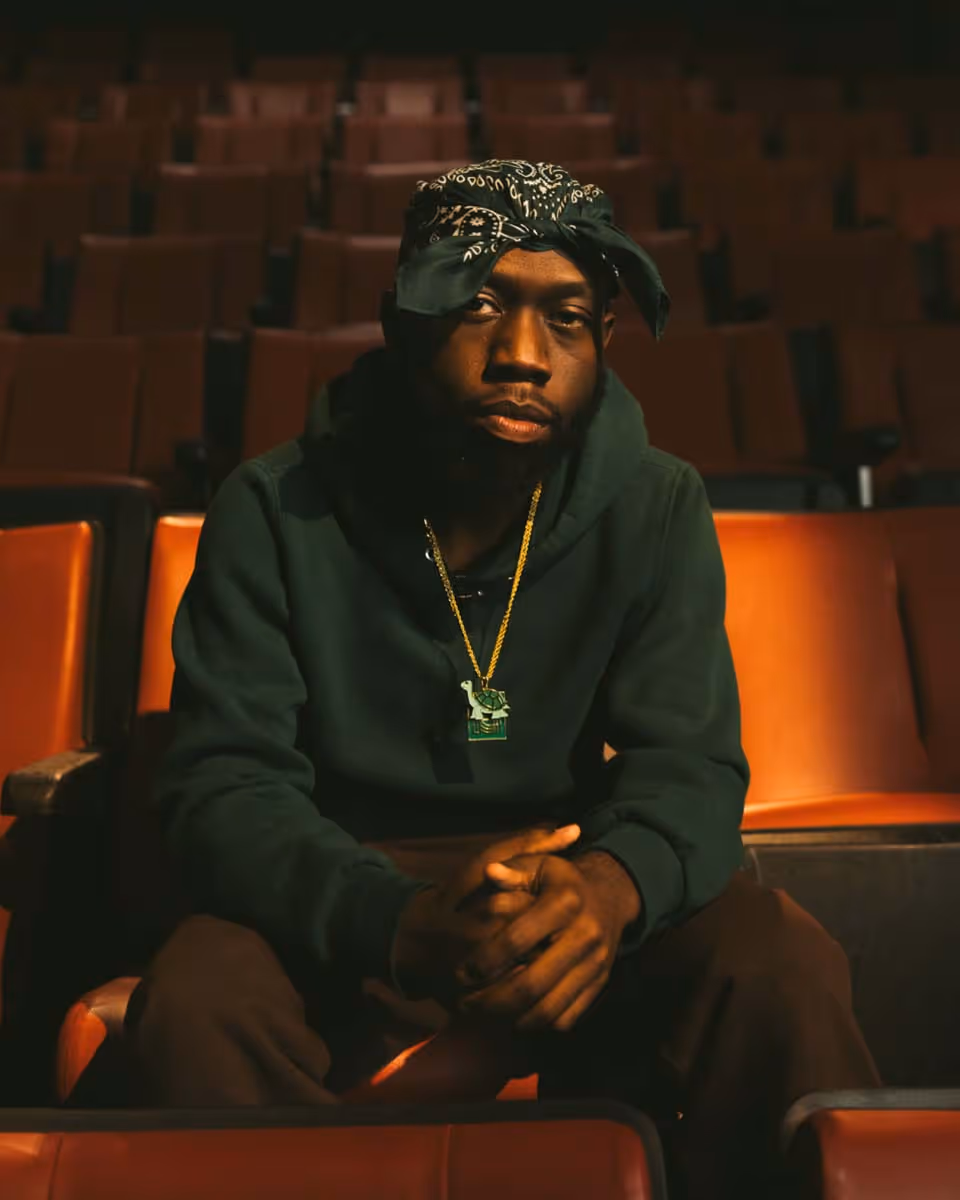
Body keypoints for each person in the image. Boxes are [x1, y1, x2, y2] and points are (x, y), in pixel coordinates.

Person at [129, 160, 880, 1200]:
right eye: (479, 305)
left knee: (779, 960)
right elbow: (224, 788)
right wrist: (396, 920)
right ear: (402, 322)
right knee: (197, 999)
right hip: (343, 894)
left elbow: (690, 768)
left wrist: (610, 890)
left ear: (603, 339)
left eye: (566, 319)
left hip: (567, 885)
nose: (524, 354)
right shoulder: (273, 506)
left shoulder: (657, 502)